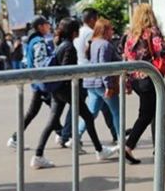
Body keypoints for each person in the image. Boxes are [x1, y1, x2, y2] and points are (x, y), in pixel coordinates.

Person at [33, 18, 118, 168]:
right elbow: (66, 70)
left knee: (53, 121)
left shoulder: (60, 45)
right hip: (67, 90)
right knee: (88, 117)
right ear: (74, 32)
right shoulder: (69, 47)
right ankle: (99, 150)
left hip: (57, 90)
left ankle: (38, 154)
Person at [123, 4, 165, 165]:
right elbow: (162, 50)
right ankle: (128, 146)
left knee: (154, 111)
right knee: (147, 115)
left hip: (135, 79)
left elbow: (126, 57)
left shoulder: (130, 35)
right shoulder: (152, 32)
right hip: (149, 78)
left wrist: (128, 83)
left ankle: (159, 145)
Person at [7, 16, 56, 156]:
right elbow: (40, 63)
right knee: (50, 111)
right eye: (47, 24)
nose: (49, 26)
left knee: (48, 111)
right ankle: (15, 138)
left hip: (37, 83)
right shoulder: (39, 41)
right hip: (40, 84)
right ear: (40, 26)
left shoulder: (31, 40)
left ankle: (63, 133)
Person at [78, 18, 122, 147]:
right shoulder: (105, 45)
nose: (112, 31)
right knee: (116, 112)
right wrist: (108, 85)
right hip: (103, 84)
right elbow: (104, 65)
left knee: (91, 113)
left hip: (91, 83)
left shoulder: (93, 42)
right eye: (110, 29)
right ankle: (121, 140)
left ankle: (76, 136)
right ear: (105, 30)